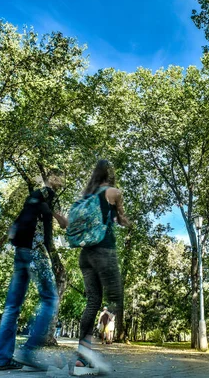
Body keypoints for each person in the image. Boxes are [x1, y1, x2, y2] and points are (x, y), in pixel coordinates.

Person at [0, 169, 68, 371]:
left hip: (21, 250)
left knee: (12, 306)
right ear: (51, 178)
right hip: (34, 250)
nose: (62, 181)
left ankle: (1, 359)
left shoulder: (34, 197)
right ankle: (28, 350)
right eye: (60, 177)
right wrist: (64, 220)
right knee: (51, 298)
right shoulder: (48, 193)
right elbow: (58, 219)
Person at [72, 160, 131, 376]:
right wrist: (126, 221)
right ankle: (89, 353)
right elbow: (122, 219)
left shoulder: (85, 197)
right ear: (110, 175)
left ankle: (81, 359)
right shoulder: (113, 192)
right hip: (103, 252)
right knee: (116, 297)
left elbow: (73, 222)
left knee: (93, 302)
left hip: (85, 254)